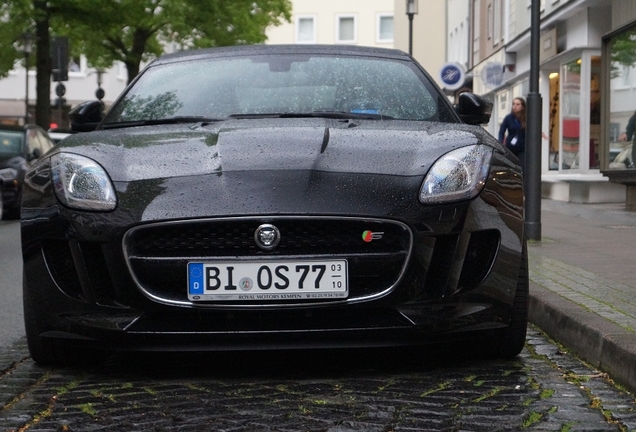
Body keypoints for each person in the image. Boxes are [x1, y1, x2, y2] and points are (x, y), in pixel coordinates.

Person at [498, 97, 526, 172]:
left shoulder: (526, 118)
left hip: (522, 148)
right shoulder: (508, 118)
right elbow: (501, 131)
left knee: (522, 168)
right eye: (513, 104)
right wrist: (500, 144)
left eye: (517, 104)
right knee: (511, 168)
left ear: (522, 107)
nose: (515, 106)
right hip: (510, 148)